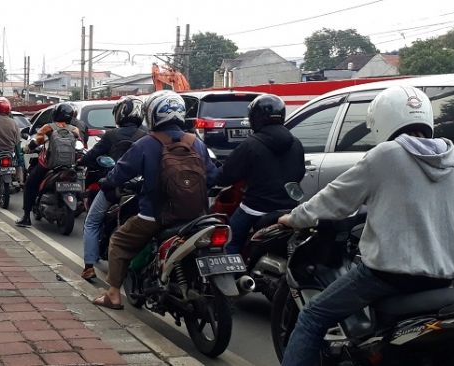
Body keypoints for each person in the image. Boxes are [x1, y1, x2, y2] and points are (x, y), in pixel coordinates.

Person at [277, 86, 454, 366]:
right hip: (443, 276)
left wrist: (294, 218)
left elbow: (335, 198)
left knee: (312, 317)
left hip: (387, 275)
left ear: (382, 120)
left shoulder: (386, 155)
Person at [92, 91, 218, 309]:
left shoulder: (146, 143)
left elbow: (120, 173)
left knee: (119, 242)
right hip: (196, 216)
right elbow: (213, 177)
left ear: (153, 114)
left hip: (154, 215)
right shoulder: (196, 143)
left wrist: (107, 181)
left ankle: (112, 294)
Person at [217, 94, 305, 255]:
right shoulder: (296, 143)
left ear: (256, 118)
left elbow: (225, 176)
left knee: (230, 241)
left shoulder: (251, 144)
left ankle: (232, 279)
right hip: (290, 208)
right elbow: (300, 173)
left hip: (255, 208)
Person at [80, 96, 147, 280]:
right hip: (140, 188)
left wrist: (83, 161)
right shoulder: (148, 135)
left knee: (92, 221)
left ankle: (89, 267)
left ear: (120, 114)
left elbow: (90, 156)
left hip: (115, 186)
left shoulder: (111, 136)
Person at [15, 103, 81, 227]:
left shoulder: (48, 128)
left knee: (29, 184)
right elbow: (79, 144)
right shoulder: (74, 129)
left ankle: (26, 217)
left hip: (48, 165)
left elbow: (36, 141)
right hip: (68, 166)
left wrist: (27, 149)